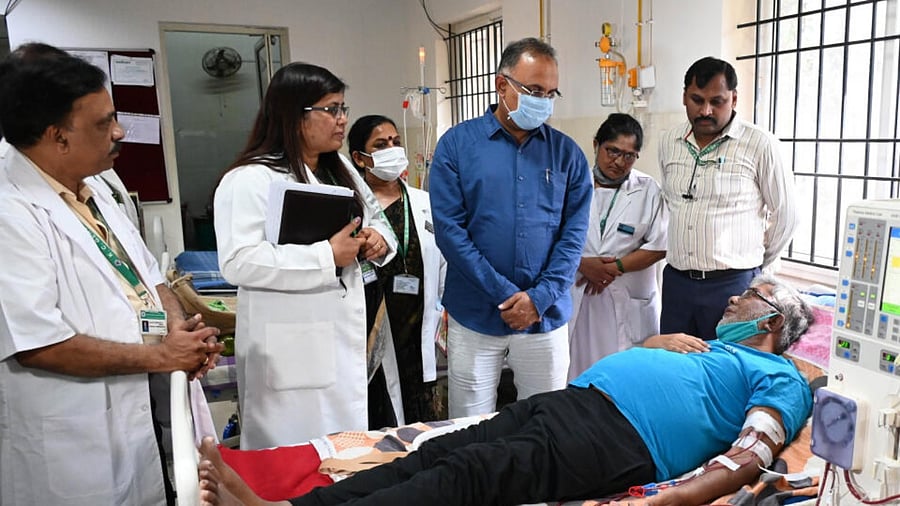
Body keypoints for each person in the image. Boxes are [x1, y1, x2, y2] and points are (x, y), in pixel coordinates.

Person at [195, 274, 815, 506]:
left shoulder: (782, 376)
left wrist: (681, 498)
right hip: (578, 403)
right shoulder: (710, 346)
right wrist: (650, 348)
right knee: (435, 452)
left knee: (472, 477)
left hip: (619, 438)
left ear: (769, 321)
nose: (733, 297)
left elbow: (752, 453)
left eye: (748, 295)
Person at [0, 44, 222, 506]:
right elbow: (39, 345)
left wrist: (182, 334)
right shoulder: (9, 210)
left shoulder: (96, 183)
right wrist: (165, 357)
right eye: (103, 123)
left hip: (142, 414)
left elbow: (149, 275)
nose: (120, 131)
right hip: (72, 443)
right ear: (56, 136)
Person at [214, 63, 397, 450]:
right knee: (293, 456)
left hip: (343, 338)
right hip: (289, 348)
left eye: (343, 108)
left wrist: (379, 239)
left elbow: (379, 219)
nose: (342, 119)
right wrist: (325, 257)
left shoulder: (340, 168)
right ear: (294, 116)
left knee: (343, 456)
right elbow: (238, 261)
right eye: (331, 110)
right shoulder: (250, 178)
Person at [429, 37, 593, 417]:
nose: (544, 102)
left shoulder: (567, 154)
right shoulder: (457, 146)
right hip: (476, 314)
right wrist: (506, 296)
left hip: (544, 317)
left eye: (552, 93)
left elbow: (573, 236)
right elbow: (451, 233)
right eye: (534, 90)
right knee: (469, 424)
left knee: (544, 423)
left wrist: (538, 299)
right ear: (502, 85)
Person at [658, 56, 798, 341]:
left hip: (732, 286)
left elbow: (787, 215)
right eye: (697, 100)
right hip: (677, 283)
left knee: (724, 370)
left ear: (734, 99)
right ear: (684, 97)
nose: (705, 110)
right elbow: (673, 203)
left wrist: (754, 265)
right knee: (673, 368)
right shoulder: (669, 142)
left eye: (717, 101)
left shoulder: (760, 144)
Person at [348, 114, 446, 425]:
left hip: (417, 323)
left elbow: (442, 261)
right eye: (381, 144)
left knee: (422, 416)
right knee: (380, 412)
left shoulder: (424, 202)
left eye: (395, 142)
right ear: (359, 158)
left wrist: (443, 308)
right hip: (372, 322)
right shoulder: (352, 206)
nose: (392, 148)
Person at [567, 113, 668, 379]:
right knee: (577, 374)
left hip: (627, 295)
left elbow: (660, 244)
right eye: (612, 151)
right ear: (596, 145)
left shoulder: (648, 190)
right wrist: (583, 264)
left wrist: (614, 268)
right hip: (579, 292)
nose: (619, 162)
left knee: (626, 378)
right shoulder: (571, 185)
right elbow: (550, 237)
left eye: (629, 155)